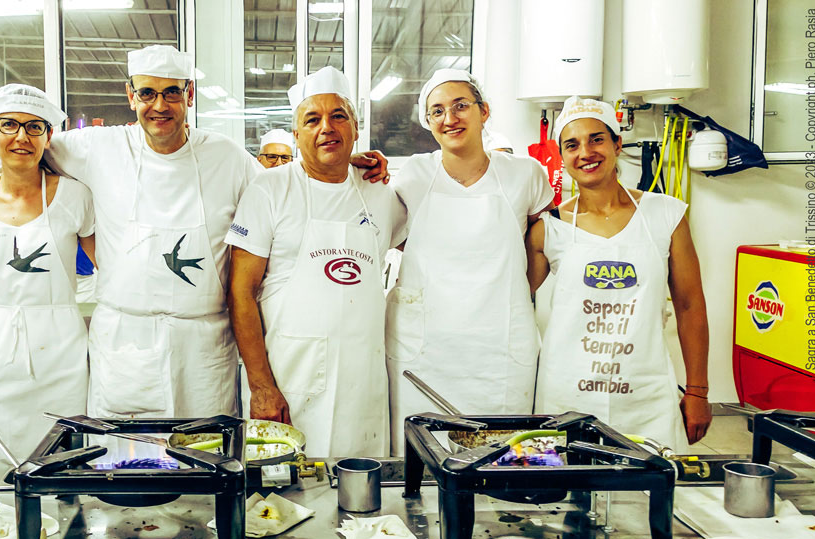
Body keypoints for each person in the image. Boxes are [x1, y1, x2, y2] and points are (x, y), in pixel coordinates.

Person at [0, 44, 389, 420]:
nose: (160, 105)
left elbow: (292, 191)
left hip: (204, 349)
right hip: (125, 343)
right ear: (130, 96)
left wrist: (352, 163)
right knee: (124, 470)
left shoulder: (228, 158)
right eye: (148, 93)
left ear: (188, 97)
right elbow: (19, 135)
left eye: (172, 92)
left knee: (204, 466)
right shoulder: (96, 148)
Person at [226, 67, 406, 456]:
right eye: (313, 119)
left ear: (355, 130)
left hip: (364, 385)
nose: (327, 127)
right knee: (287, 500)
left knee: (361, 500)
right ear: (297, 134)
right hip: (291, 382)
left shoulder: (379, 194)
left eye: (338, 116)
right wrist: (260, 387)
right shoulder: (269, 190)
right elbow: (240, 291)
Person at [526, 96, 711, 449]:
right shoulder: (549, 228)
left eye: (597, 139)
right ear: (562, 158)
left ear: (617, 144)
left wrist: (698, 391)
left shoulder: (666, 216)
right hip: (567, 395)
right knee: (569, 496)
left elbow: (690, 307)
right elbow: (511, 301)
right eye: (572, 144)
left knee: (649, 496)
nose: (586, 152)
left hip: (645, 394)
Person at [385, 69, 553, 452]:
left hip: (498, 347)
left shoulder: (524, 173)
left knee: (500, 457)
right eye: (437, 111)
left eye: (461, 106)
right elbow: (400, 237)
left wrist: (510, 292)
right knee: (423, 458)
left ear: (484, 111)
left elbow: (541, 245)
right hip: (426, 347)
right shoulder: (414, 174)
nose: (450, 118)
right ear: (428, 123)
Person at [0, 85, 95, 459]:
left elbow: (107, 267)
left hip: (59, 350)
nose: (21, 138)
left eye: (34, 128)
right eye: (10, 125)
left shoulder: (75, 196)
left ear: (48, 137)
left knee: (59, 457)